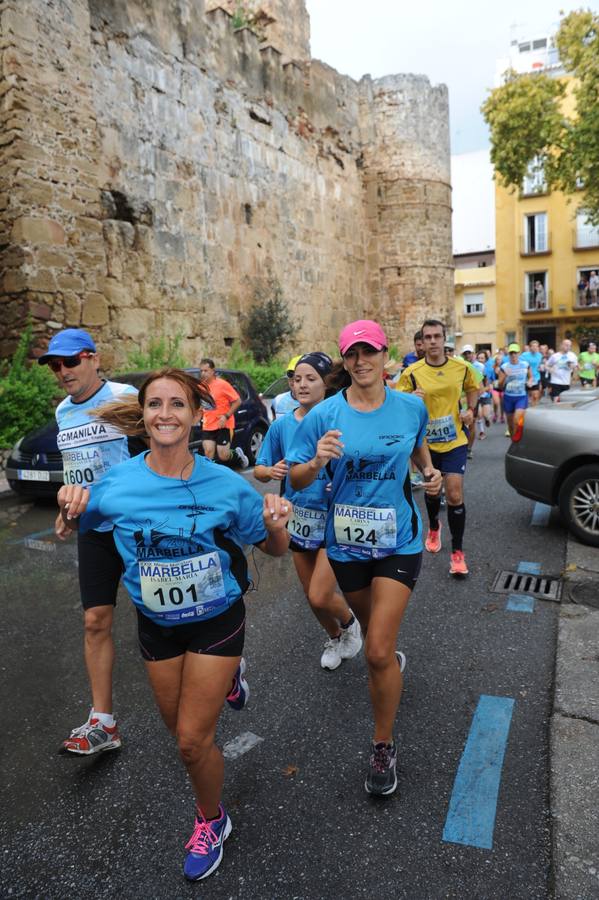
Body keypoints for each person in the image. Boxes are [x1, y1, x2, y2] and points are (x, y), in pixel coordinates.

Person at [55, 368, 291, 881]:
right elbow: (81, 521)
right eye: (156, 404)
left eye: (177, 404)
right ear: (142, 416)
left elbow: (273, 549)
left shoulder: (227, 485)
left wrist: (277, 527)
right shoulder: (115, 485)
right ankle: (228, 681)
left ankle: (212, 819)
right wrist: (69, 504)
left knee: (190, 741)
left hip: (217, 621)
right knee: (183, 740)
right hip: (157, 627)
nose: (166, 413)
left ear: (195, 415)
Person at [288, 320, 442, 797]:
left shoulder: (410, 407)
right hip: (347, 546)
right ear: (344, 361)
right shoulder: (323, 416)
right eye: (351, 354)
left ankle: (383, 745)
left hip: (399, 541)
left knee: (375, 651)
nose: (361, 361)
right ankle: (387, 657)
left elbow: (419, 451)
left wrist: (431, 472)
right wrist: (315, 463)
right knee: (380, 641)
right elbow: (295, 478)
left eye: (368, 352)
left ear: (383, 354)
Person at [38, 328, 142, 754]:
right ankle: (103, 722)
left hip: (135, 523)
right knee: (95, 620)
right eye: (55, 365)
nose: (63, 371)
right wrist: (67, 510)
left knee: (161, 613)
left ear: (94, 359)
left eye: (71, 361)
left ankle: (221, 658)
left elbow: (161, 446)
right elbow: (76, 469)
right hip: (93, 527)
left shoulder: (125, 396)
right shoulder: (64, 411)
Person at [254, 352, 363, 670]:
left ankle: (350, 622)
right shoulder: (282, 426)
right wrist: (270, 471)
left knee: (320, 594)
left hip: (335, 520)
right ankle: (336, 635)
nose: (301, 384)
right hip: (299, 519)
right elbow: (259, 469)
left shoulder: (341, 420)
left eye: (310, 378)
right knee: (309, 593)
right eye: (296, 378)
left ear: (325, 383)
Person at [397, 319, 480, 576]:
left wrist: (470, 411)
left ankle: (457, 552)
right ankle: (434, 526)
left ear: (444, 339)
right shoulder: (412, 372)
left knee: (454, 494)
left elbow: (473, 388)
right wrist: (410, 399)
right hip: (426, 446)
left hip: (455, 441)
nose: (432, 341)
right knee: (433, 493)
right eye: (427, 337)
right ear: (422, 341)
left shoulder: (462, 367)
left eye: (436, 336)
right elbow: (399, 402)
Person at [199, 358, 248, 468]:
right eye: (201, 371)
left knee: (223, 455)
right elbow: (202, 405)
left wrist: (226, 416)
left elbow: (237, 401)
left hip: (224, 424)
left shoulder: (223, 385)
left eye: (205, 371)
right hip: (208, 425)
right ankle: (212, 478)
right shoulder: (200, 387)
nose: (203, 373)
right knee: (208, 452)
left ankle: (238, 455)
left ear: (213, 371)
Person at [498, 343, 532, 438]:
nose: (513, 355)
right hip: (508, 397)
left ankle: (518, 441)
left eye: (515, 353)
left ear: (519, 353)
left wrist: (529, 381)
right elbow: (500, 386)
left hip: (521, 397)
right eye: (511, 353)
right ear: (508, 354)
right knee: (510, 424)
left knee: (516, 420)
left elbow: (531, 377)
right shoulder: (504, 367)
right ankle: (513, 442)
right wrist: (505, 376)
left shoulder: (525, 365)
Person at [520, 339, 544, 406]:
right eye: (533, 346)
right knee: (525, 397)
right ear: (530, 347)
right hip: (526, 378)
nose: (535, 348)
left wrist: (541, 367)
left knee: (535, 396)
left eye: (536, 346)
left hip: (536, 377)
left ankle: (534, 410)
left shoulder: (540, 355)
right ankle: (525, 409)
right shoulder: (524, 355)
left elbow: (541, 364)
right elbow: (521, 365)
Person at [474, 351, 492, 439]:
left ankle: (488, 419)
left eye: (482, 358)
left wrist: (484, 389)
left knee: (485, 415)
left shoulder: (488, 370)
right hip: (476, 396)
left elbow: (489, 385)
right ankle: (482, 432)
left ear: (486, 360)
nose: (480, 360)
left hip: (485, 395)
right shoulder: (473, 368)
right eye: (479, 358)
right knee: (479, 414)